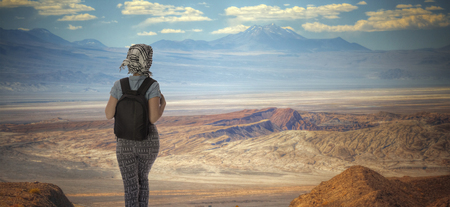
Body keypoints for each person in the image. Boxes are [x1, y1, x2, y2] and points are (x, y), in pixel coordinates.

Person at [104, 44, 166, 207]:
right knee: (142, 179)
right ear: (148, 61)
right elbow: (152, 118)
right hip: (148, 141)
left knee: (130, 186)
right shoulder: (152, 85)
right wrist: (162, 106)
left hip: (124, 143)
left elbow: (109, 114)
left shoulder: (120, 85)